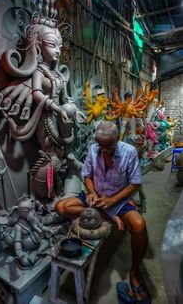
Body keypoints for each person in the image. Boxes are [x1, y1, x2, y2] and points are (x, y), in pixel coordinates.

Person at [55, 120, 150, 302]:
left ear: (117, 139)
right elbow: (87, 175)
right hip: (96, 197)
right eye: (101, 145)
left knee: (139, 226)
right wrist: (91, 193)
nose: (104, 150)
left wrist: (112, 200)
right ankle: (109, 216)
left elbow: (135, 183)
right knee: (61, 207)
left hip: (119, 199)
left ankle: (135, 271)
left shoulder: (129, 152)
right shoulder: (93, 149)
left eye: (108, 146)